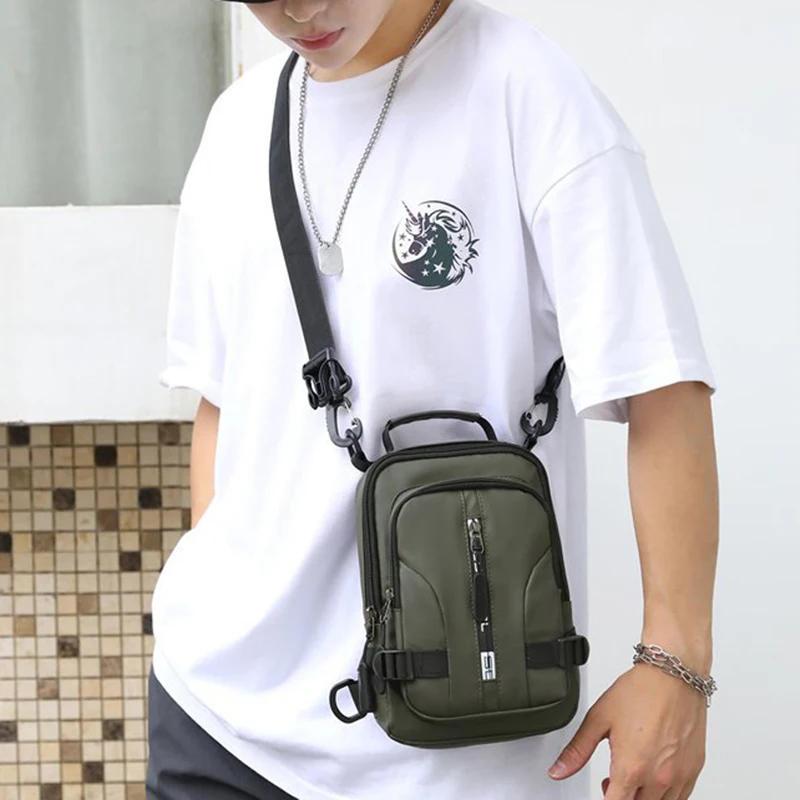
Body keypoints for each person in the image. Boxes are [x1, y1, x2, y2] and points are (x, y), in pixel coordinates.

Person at [146, 1, 719, 799]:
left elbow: (661, 386)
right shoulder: (238, 125)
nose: (298, 9)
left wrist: (676, 662)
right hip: (219, 725)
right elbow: (223, 401)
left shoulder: (528, 93)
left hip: (457, 746)